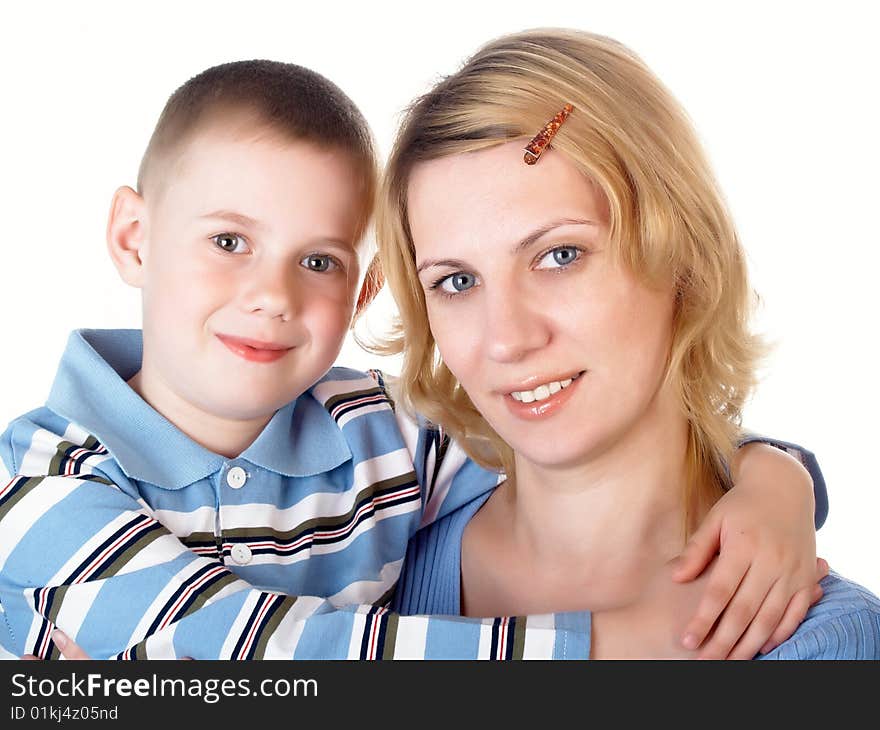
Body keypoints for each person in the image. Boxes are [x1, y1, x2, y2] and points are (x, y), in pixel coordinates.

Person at [0, 58, 824, 661]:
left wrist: (776, 479)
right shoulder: (37, 482)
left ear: (361, 296)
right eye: (227, 241)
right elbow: (264, 658)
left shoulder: (380, 438)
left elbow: (576, 439)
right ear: (132, 239)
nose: (272, 295)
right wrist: (620, 646)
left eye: (318, 261)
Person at [380, 28, 880, 658]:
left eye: (560, 255)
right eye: (456, 281)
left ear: (682, 256)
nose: (506, 339)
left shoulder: (827, 643)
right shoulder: (357, 561)